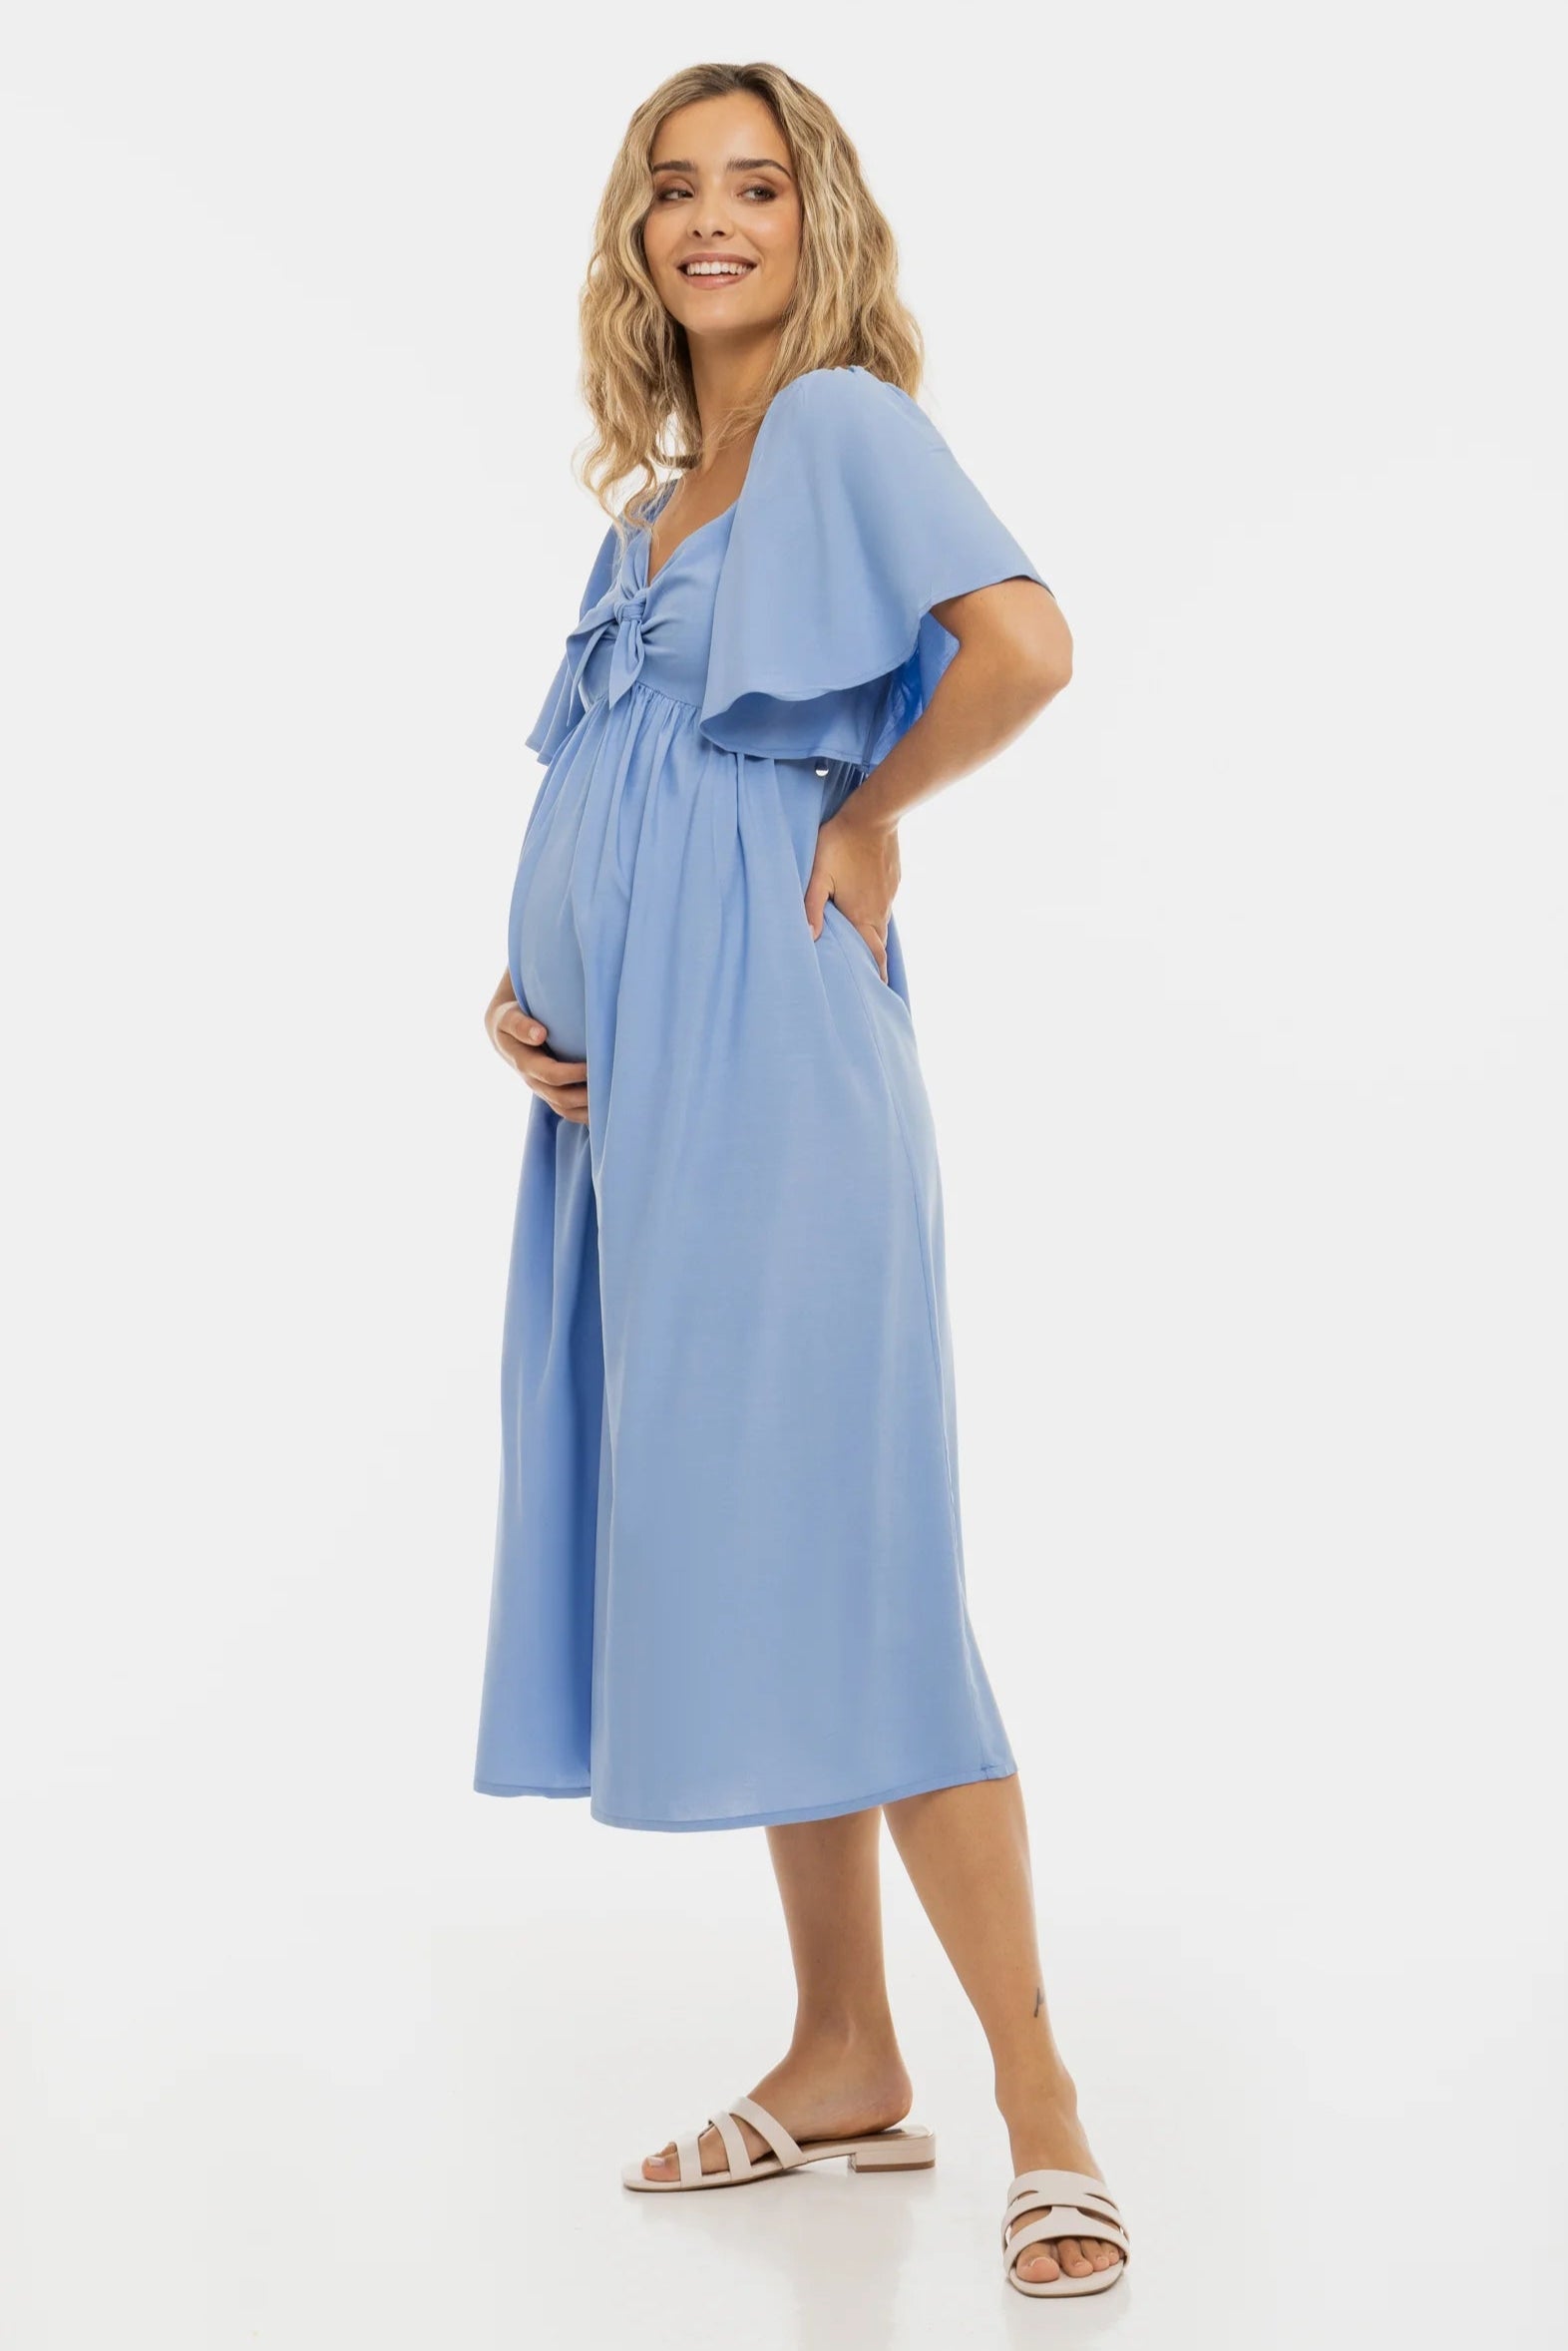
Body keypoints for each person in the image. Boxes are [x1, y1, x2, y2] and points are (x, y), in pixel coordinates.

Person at [473, 61, 1129, 2300]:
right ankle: (845, 2047)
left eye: (755, 185)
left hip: (780, 1066)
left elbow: (1027, 647)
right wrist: (530, 991)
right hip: (633, 1103)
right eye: (675, 189)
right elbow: (623, 785)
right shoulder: (661, 497)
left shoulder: (840, 426)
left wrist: (870, 814)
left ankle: (1046, 2109)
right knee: (760, 1553)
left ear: (815, 219)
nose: (711, 221)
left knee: (857, 1565)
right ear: (635, 235)